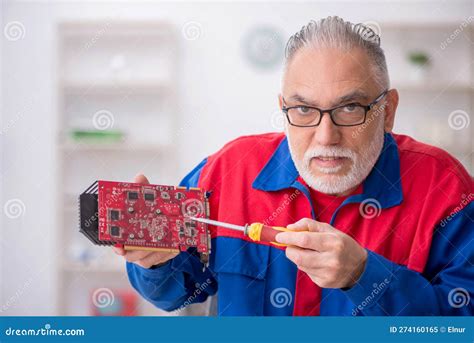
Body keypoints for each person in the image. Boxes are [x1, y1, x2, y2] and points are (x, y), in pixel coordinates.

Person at [113, 16, 473, 316]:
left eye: (350, 109)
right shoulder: (228, 170)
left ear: (388, 111)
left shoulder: (445, 188)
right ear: (284, 107)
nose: (325, 136)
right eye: (304, 110)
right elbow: (178, 292)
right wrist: (154, 261)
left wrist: (363, 275)